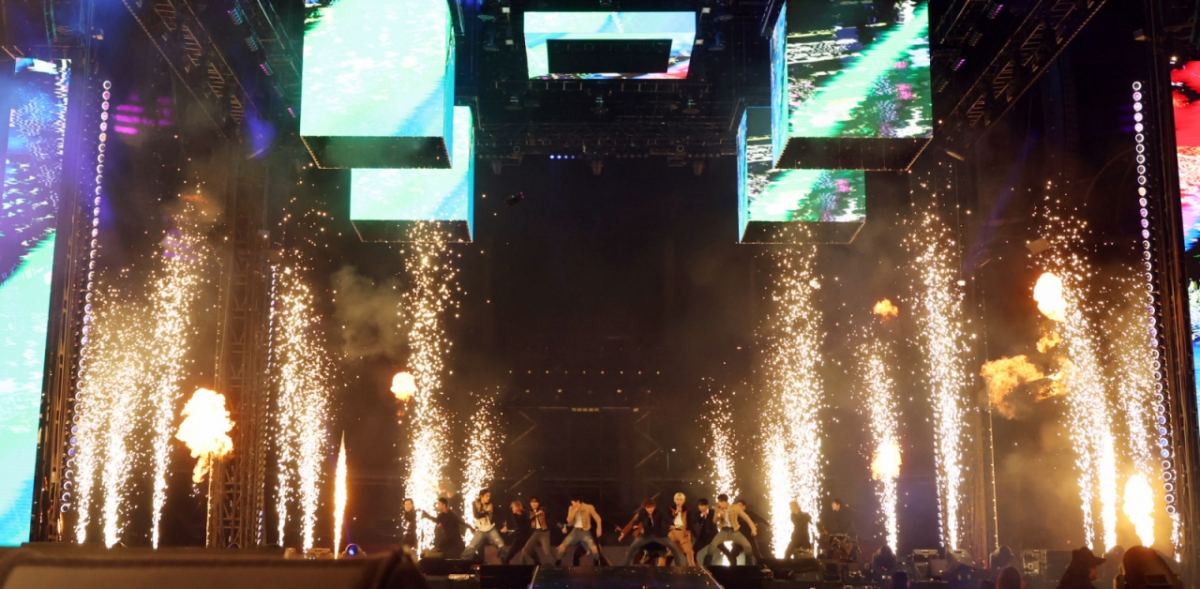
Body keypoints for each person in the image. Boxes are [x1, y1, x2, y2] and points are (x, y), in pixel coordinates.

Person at [621, 498, 686, 566]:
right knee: (632, 547)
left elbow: (667, 518)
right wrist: (635, 525)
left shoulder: (659, 512)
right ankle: (626, 565)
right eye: (648, 508)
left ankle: (679, 566)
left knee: (673, 547)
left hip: (659, 535)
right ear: (645, 508)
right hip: (647, 535)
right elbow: (636, 520)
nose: (650, 510)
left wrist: (672, 524)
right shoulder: (642, 512)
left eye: (651, 508)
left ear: (654, 507)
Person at [696, 494, 757, 566]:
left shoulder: (735, 508)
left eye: (720, 502)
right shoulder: (717, 509)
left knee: (747, 545)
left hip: (734, 532)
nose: (719, 504)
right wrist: (719, 515)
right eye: (719, 502)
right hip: (724, 531)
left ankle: (751, 564)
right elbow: (714, 521)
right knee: (712, 545)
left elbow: (746, 517)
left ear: (725, 502)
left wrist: (753, 528)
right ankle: (706, 565)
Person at [555, 494, 603, 566]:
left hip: (585, 532)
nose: (572, 504)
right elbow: (568, 520)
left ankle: (596, 561)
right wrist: (575, 510)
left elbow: (598, 519)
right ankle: (559, 559)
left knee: (594, 548)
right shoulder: (571, 508)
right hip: (575, 531)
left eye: (573, 503)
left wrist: (599, 529)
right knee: (562, 547)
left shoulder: (588, 507)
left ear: (577, 502)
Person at [462, 489, 507, 562]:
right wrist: (486, 511)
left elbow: (502, 514)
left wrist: (505, 525)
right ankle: (463, 560)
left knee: (501, 544)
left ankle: (504, 560)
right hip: (481, 529)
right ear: (481, 496)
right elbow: (476, 516)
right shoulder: (475, 504)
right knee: (472, 546)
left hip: (491, 528)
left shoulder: (491, 506)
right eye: (486, 496)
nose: (488, 498)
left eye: (489, 496)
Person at [521, 497, 554, 565]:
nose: (533, 504)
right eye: (532, 502)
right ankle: (522, 566)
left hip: (544, 533)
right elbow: (529, 519)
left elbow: (552, 519)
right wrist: (536, 514)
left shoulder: (543, 510)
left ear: (538, 503)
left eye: (535, 502)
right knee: (524, 550)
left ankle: (554, 565)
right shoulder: (529, 511)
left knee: (547, 552)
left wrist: (561, 527)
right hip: (535, 533)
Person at [669, 493, 696, 566]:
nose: (679, 501)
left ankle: (692, 567)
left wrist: (688, 531)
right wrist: (675, 513)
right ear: (674, 500)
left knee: (688, 550)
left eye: (681, 500)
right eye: (677, 499)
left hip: (682, 531)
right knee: (667, 551)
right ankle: (662, 568)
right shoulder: (670, 508)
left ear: (684, 501)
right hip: (672, 531)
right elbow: (666, 519)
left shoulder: (688, 510)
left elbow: (690, 521)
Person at [501, 500, 532, 564]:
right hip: (519, 539)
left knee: (534, 556)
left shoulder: (525, 515)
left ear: (517, 507)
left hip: (525, 539)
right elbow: (517, 527)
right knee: (508, 557)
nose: (512, 509)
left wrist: (510, 530)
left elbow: (524, 527)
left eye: (513, 507)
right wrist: (508, 529)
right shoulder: (514, 515)